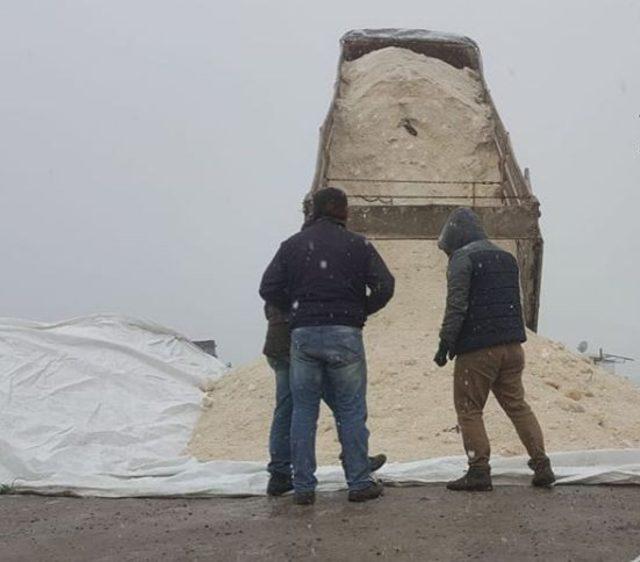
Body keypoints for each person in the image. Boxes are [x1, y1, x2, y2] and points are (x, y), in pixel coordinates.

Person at [260, 187, 395, 505]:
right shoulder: (358, 245)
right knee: (350, 409)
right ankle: (359, 482)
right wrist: (360, 310)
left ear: (314, 211)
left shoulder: (292, 246)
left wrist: (296, 311)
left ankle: (304, 487)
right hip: (345, 333)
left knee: (303, 411)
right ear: (342, 211)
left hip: (304, 334)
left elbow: (268, 287)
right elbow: (385, 285)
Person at [434, 207, 555, 491]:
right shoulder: (506, 258)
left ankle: (478, 470)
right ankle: (542, 465)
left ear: (456, 236)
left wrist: (445, 343)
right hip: (513, 348)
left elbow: (457, 307)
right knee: (517, 405)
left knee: (469, 408)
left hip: (478, 350)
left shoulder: (462, 259)